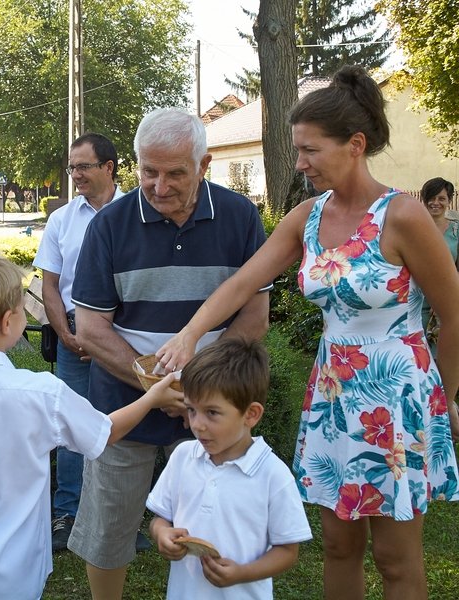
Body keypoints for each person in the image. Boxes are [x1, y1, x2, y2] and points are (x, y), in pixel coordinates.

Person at [157, 65, 459, 600]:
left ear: (355, 146)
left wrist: (445, 399)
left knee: (395, 558)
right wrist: (189, 334)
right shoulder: (307, 218)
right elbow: (243, 282)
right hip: (334, 395)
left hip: (398, 399)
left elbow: (454, 314)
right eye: (298, 150)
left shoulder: (404, 216)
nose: (299, 163)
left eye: (310, 150)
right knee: (338, 546)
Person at [0, 252, 183, 600]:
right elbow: (105, 431)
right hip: (14, 579)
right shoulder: (43, 394)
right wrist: (151, 397)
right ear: (8, 321)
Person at [66, 107, 270, 600]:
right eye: (148, 171)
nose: (159, 186)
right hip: (123, 405)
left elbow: (254, 318)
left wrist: (200, 391)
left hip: (214, 409)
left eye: (175, 173)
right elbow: (91, 328)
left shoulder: (240, 217)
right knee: (109, 529)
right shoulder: (109, 225)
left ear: (205, 165)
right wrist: (154, 388)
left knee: (213, 529)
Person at [147, 337, 312, 599]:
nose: (197, 424)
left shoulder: (273, 476)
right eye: (191, 410)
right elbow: (160, 518)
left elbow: (287, 551)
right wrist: (162, 533)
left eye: (212, 413)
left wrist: (242, 573)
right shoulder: (183, 457)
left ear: (251, 414)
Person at [33, 132, 124, 551]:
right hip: (73, 332)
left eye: (83, 166)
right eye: (72, 167)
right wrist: (67, 335)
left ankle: (119, 515)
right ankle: (67, 512)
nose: (75, 175)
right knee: (70, 422)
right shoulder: (62, 220)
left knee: (124, 421)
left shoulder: (137, 213)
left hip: (126, 332)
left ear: (108, 167)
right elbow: (50, 286)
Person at [419, 177, 458, 349]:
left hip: (446, 306)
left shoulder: (456, 231)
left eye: (441, 198)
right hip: (415, 303)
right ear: (424, 199)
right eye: (431, 198)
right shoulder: (411, 229)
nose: (436, 203)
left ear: (449, 200)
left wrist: (446, 298)